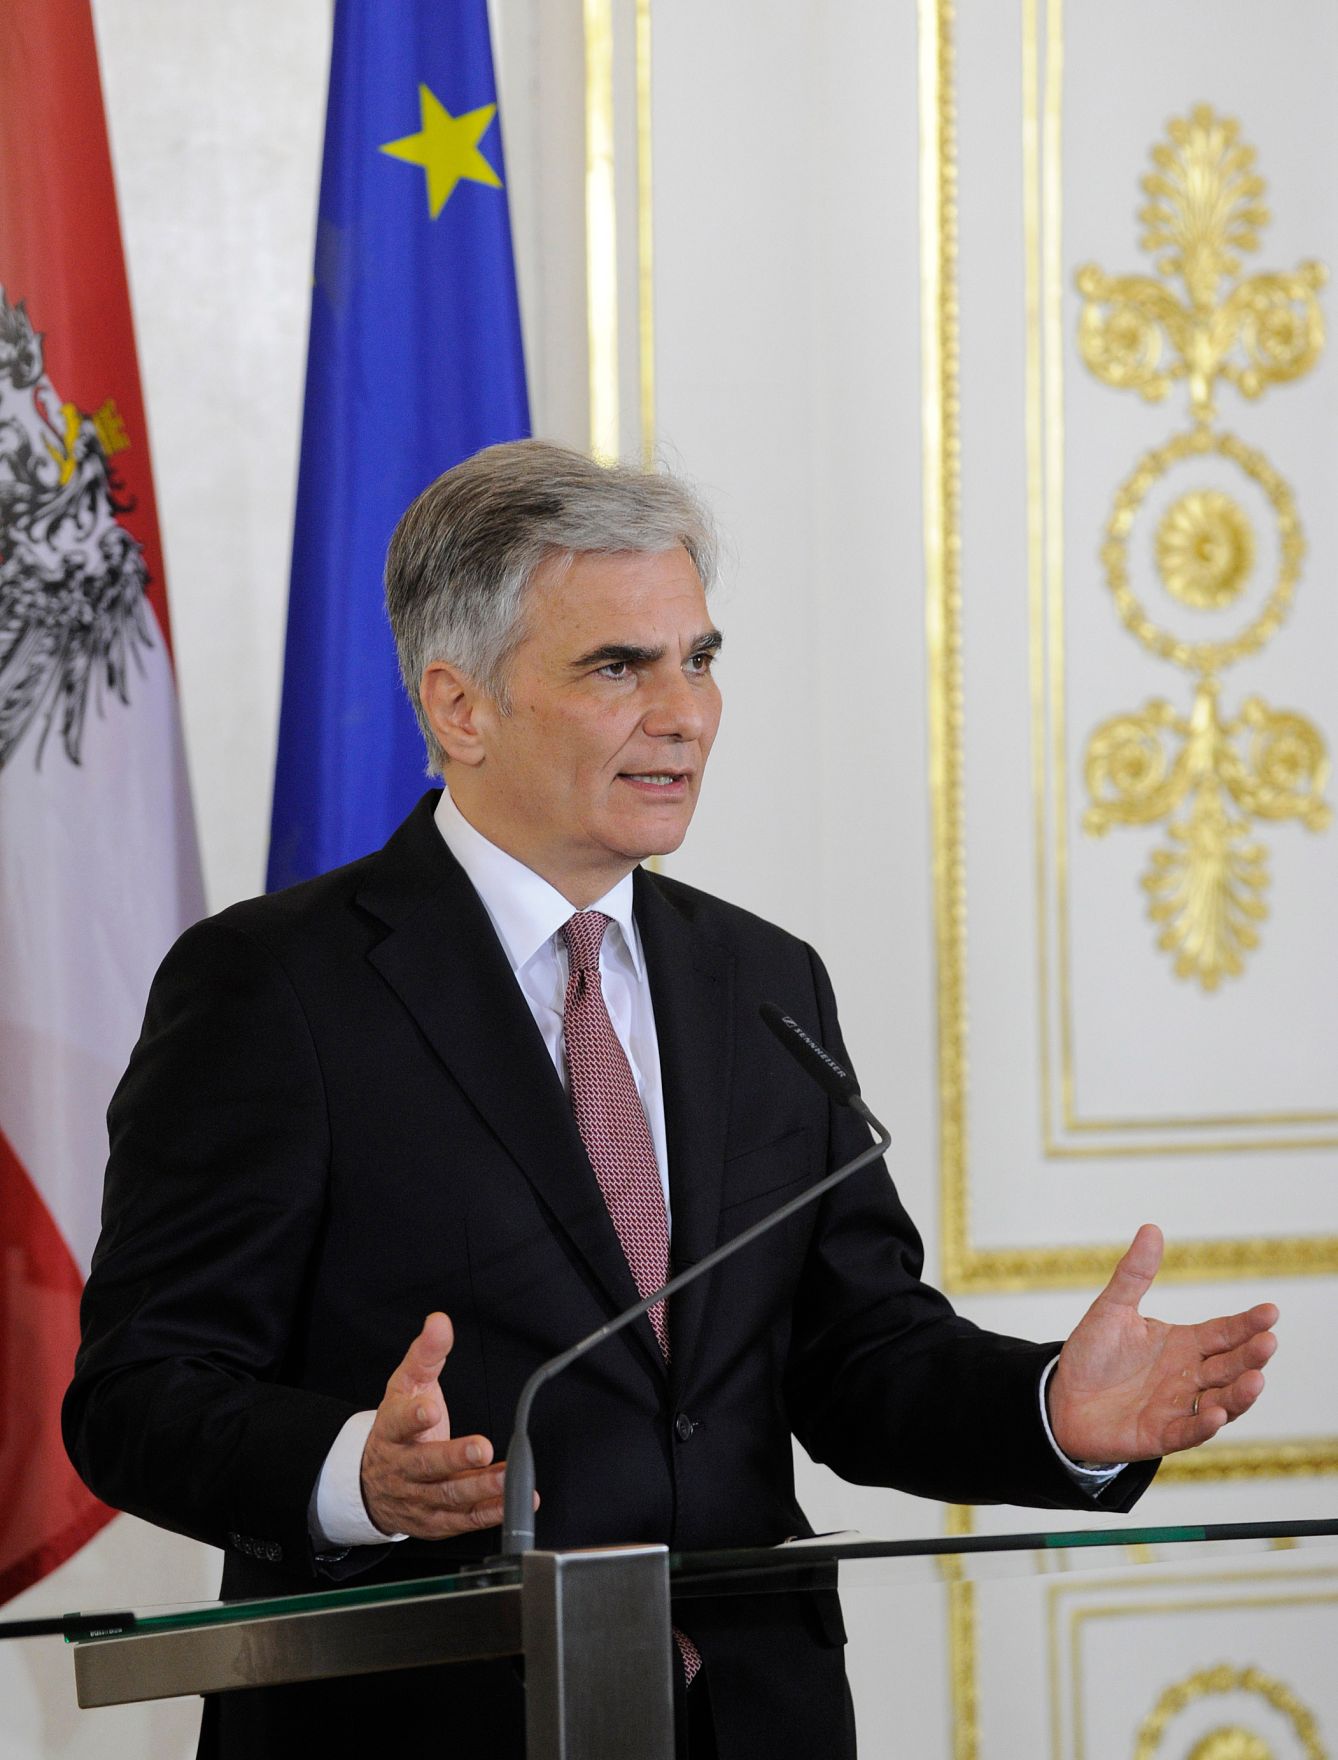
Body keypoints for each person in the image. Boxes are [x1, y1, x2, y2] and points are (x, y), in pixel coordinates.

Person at [64, 440, 1278, 1759]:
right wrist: (353, 1469)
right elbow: (138, 1390)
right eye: (617, 667)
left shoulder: (758, 978)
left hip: (749, 1716)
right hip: (423, 1713)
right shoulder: (276, 988)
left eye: (697, 658)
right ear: (460, 707)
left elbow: (852, 1354)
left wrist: (1049, 1412)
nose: (685, 712)